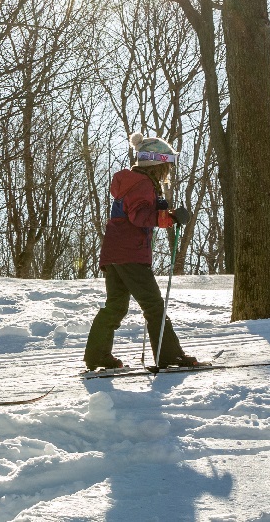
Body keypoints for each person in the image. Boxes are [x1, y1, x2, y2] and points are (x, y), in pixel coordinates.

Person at [83, 132, 198, 371]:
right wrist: (171, 217)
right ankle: (169, 356)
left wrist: (162, 211)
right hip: (131, 254)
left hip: (114, 253)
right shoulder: (143, 184)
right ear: (156, 163)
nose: (168, 171)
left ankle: (97, 356)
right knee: (154, 305)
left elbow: (136, 212)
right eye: (166, 165)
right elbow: (139, 217)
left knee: (115, 306)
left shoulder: (131, 183)